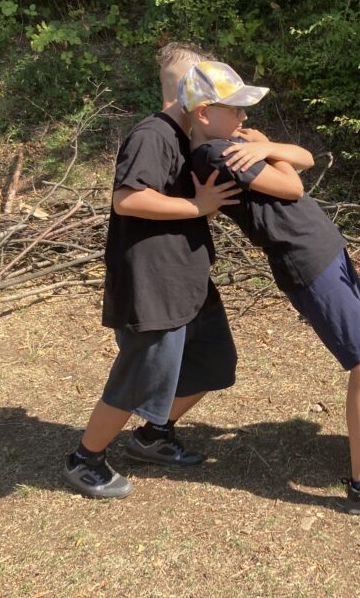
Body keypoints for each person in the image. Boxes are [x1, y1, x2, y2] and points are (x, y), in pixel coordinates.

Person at [178, 60, 360, 515]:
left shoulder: (236, 142)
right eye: (234, 109)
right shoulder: (216, 154)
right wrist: (268, 151)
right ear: (202, 114)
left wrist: (266, 145)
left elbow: (306, 157)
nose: (243, 118)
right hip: (306, 261)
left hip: (325, 251)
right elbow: (292, 186)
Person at [62, 43, 242, 499]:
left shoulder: (187, 137)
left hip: (187, 278)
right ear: (187, 94)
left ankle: (153, 436)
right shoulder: (153, 135)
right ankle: (85, 458)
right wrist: (198, 206)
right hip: (153, 283)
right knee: (138, 378)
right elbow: (128, 199)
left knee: (214, 361)